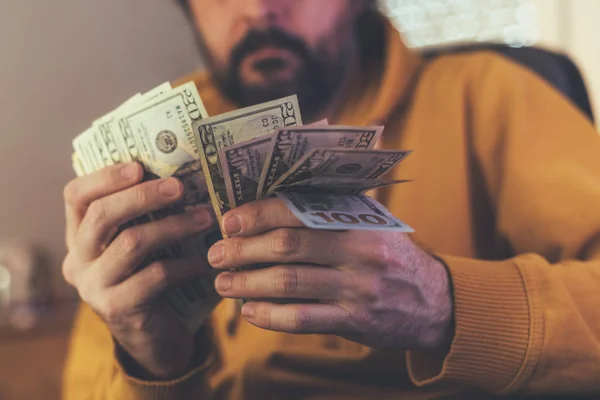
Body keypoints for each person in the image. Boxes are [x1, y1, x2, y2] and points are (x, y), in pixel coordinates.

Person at [61, 0, 600, 399]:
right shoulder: (151, 153)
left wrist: (442, 303)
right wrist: (152, 364)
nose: (259, 10)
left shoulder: (487, 94)